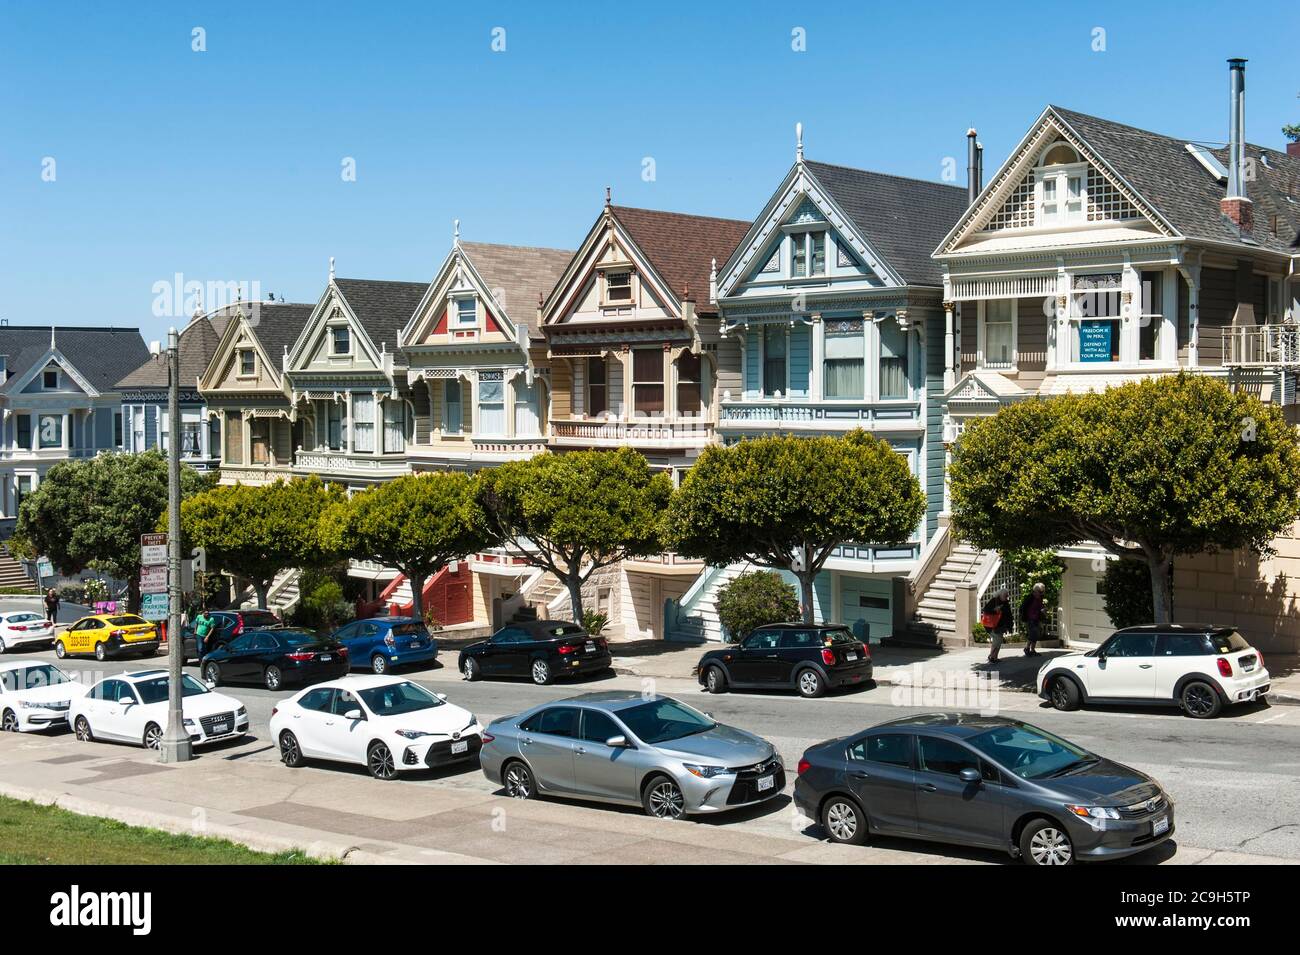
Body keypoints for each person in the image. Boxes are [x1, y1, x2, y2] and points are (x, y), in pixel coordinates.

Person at [982, 588, 1013, 664]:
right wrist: (995, 610)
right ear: (1000, 595)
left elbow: (1009, 615)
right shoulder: (994, 601)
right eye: (1005, 596)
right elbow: (985, 610)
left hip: (1000, 625)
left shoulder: (1006, 603)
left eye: (1007, 596)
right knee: (997, 639)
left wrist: (1010, 626)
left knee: (999, 640)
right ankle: (991, 656)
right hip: (991, 625)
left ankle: (995, 657)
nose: (1006, 597)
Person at [1020, 582, 1047, 657]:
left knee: (1036, 634)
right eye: (1040, 592)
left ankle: (1032, 650)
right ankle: (1027, 648)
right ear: (1035, 591)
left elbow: (1040, 606)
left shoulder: (1040, 598)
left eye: (1042, 592)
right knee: (1033, 633)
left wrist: (1043, 610)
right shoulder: (1030, 598)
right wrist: (1024, 619)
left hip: (1036, 618)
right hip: (1030, 618)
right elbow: (1022, 608)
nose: (1041, 593)